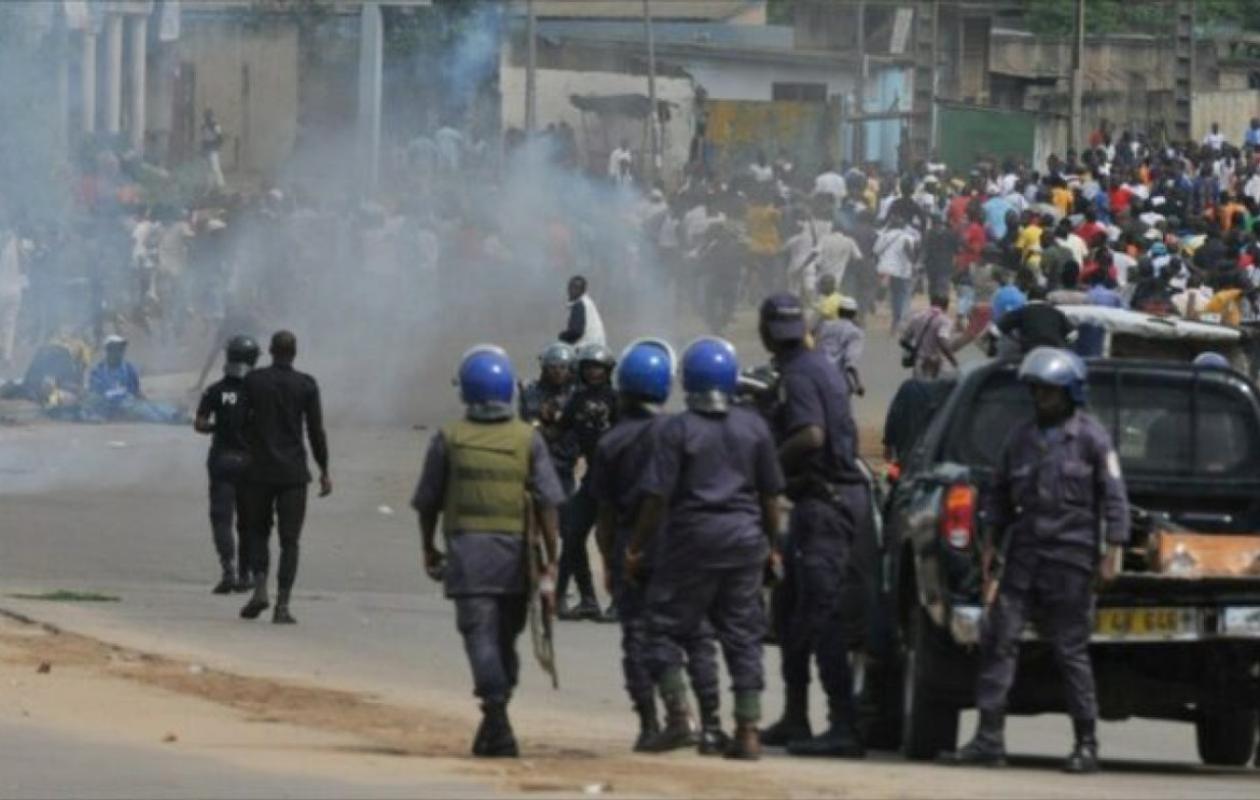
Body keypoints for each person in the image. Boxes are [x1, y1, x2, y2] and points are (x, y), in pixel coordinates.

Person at [944, 348, 1129, 774]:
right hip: (1024, 556)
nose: (1041, 399)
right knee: (998, 640)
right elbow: (997, 493)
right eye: (1036, 391)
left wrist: (1111, 551)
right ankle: (989, 739)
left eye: (1050, 392)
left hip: (1071, 559)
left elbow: (1114, 497)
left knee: (1071, 652)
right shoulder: (1021, 438)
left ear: (1070, 393)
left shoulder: (1092, 439)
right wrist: (990, 542)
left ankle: (1086, 743)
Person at [627, 337, 785, 761]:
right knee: (742, 636)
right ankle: (748, 729)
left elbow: (656, 497)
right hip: (745, 541)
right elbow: (771, 496)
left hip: (691, 542)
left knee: (660, 628)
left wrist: (637, 547)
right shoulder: (754, 427)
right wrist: (773, 546)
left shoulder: (676, 428)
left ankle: (679, 716)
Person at [413, 345, 564, 758]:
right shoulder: (528, 438)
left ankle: (495, 717)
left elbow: (428, 502)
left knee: (481, 638)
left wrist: (428, 547)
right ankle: (495, 720)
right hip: (517, 559)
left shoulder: (449, 439)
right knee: (506, 640)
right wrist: (551, 559)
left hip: (467, 556)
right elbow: (549, 503)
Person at [592, 339, 723, 754]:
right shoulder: (682, 429)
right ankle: (712, 723)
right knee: (696, 634)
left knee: (639, 637)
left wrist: (611, 557)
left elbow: (606, 512)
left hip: (635, 546)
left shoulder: (611, 443)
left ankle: (655, 722)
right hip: (685, 544)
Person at [757, 294, 871, 759]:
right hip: (821, 502)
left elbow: (811, 434)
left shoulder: (801, 374)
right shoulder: (816, 364)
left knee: (822, 617)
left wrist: (767, 467)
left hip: (826, 504)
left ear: (767, 333)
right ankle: (796, 715)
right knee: (791, 612)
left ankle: (843, 724)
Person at [238, 331, 331, 625]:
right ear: (295, 353)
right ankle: (283, 605)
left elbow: (239, 423)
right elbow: (316, 432)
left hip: (259, 471)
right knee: (290, 541)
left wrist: (248, 450)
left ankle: (261, 588)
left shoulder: (253, 381)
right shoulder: (306, 385)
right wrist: (324, 470)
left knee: (257, 532)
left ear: (270, 351)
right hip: (293, 473)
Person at [555, 343, 618, 620]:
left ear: (608, 371)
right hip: (592, 479)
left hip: (618, 481)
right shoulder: (576, 401)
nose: (594, 372)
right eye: (589, 367)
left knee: (612, 541)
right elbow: (558, 430)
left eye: (599, 367)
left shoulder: (618, 400)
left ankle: (620, 602)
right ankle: (587, 598)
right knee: (571, 531)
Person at [874, 214, 920, 331]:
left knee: (894, 294)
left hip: (886, 267)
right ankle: (896, 320)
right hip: (901, 271)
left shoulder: (884, 235)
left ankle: (882, 289)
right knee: (900, 295)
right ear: (903, 226)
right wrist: (914, 265)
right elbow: (910, 252)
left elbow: (876, 251)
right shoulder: (908, 237)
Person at [899, 294, 961, 380]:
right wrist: (955, 362)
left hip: (918, 362)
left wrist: (915, 350)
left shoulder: (917, 317)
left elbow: (903, 340)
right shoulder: (944, 321)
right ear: (946, 306)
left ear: (931, 303)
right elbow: (942, 341)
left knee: (918, 389)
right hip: (934, 365)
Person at [558, 275, 607, 348]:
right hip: (597, 347)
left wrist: (562, 336)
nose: (572, 291)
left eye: (576, 288)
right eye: (570, 288)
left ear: (582, 290)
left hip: (586, 349)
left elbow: (576, 332)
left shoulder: (579, 304)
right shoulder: (588, 302)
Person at [201, 109, 226, 190]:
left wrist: (217, 146)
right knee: (207, 168)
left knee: (215, 167)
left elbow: (220, 137)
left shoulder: (215, 125)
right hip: (207, 148)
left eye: (208, 116)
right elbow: (204, 138)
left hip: (213, 148)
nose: (207, 118)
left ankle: (220, 184)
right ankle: (209, 184)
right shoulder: (204, 126)